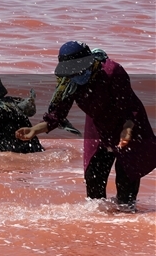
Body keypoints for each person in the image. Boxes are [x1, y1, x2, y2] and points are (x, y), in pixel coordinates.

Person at [17, 41, 156, 211]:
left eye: (80, 70)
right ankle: (98, 222)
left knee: (126, 179)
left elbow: (128, 106)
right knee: (93, 178)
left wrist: (127, 129)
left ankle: (126, 218)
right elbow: (57, 115)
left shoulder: (112, 72)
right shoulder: (69, 82)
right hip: (98, 126)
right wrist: (34, 130)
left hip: (129, 123)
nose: (77, 74)